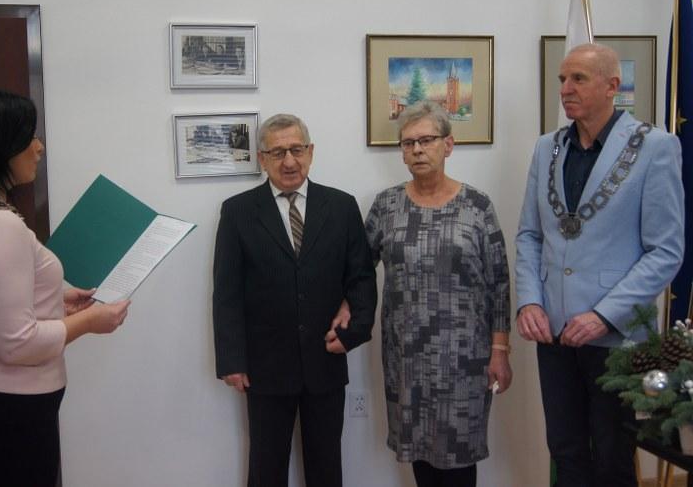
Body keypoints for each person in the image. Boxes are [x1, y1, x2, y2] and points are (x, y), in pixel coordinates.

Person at [0, 87, 130, 487]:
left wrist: (55, 301)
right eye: (29, 137)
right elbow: (17, 344)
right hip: (2, 412)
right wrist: (91, 321)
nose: (39, 148)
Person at [515, 43, 685, 487]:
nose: (565, 89)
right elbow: (530, 235)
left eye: (578, 79)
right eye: (562, 79)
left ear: (613, 86)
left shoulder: (655, 147)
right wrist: (529, 301)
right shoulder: (547, 147)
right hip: (553, 331)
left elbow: (665, 251)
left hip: (617, 336)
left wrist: (603, 315)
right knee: (566, 452)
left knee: (612, 460)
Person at [212, 113, 377, 487]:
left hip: (326, 358)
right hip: (265, 367)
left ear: (310, 152)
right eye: (278, 152)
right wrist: (232, 360)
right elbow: (226, 293)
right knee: (266, 468)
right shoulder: (238, 211)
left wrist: (354, 332)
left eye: (297, 150)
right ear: (262, 158)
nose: (289, 161)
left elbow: (362, 278)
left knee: (326, 467)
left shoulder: (341, 206)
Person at [364, 101, 512, 487]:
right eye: (408, 143)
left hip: (464, 359)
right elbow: (358, 271)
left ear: (448, 145)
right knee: (418, 453)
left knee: (459, 455)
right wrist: (345, 308)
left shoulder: (477, 206)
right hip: (407, 357)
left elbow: (499, 282)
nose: (417, 150)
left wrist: (500, 350)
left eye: (426, 140)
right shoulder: (386, 206)